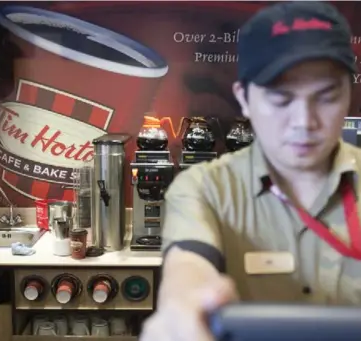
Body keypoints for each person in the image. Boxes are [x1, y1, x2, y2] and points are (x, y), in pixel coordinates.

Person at [140, 2, 361, 341]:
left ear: (349, 93)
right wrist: (183, 309)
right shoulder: (204, 188)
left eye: (326, 96)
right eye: (280, 98)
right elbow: (188, 268)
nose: (304, 122)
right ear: (243, 98)